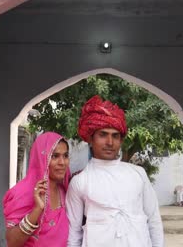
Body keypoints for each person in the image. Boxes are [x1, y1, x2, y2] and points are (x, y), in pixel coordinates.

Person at [66, 95, 164, 247]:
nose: (110, 142)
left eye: (115, 136)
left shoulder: (138, 174)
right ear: (91, 140)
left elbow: (153, 220)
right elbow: (74, 233)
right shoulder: (80, 181)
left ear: (121, 140)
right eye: (103, 135)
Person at [3, 132, 71, 247]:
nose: (62, 162)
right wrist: (37, 209)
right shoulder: (22, 193)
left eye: (65, 156)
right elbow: (12, 243)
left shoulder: (65, 190)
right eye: (55, 156)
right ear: (42, 157)